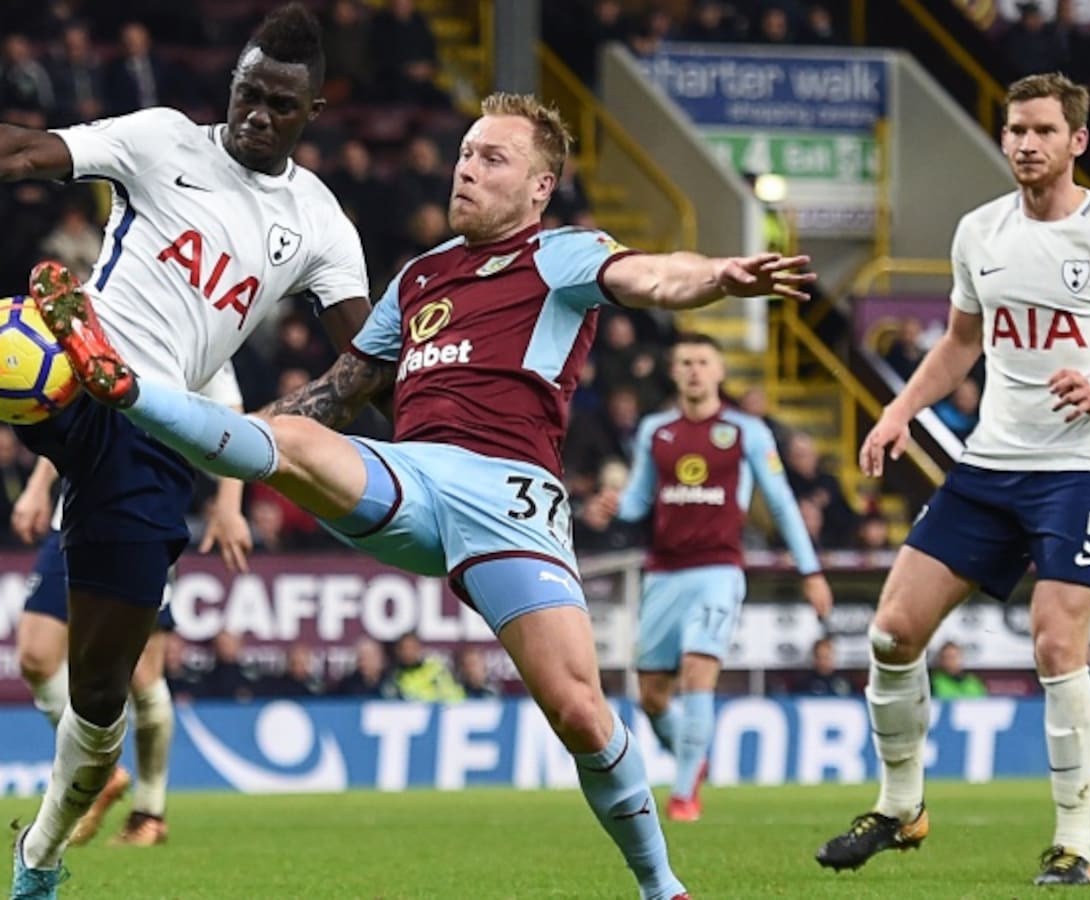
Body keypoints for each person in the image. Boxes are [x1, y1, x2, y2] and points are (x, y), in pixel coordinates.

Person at [30, 91, 819, 900]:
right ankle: (126, 391)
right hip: (412, 479)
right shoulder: (419, 277)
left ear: (540, 188)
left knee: (581, 712)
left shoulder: (563, 254)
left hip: (509, 502)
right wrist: (243, 443)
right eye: (466, 153)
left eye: (492, 159)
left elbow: (652, 275)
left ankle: (661, 885)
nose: (466, 169)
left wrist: (718, 275)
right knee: (297, 437)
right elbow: (336, 395)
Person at [2, 6, 372, 897]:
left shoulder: (320, 222)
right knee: (16, 346)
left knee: (98, 695)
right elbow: (24, 152)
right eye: (248, 92)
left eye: (281, 104)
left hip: (157, 436)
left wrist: (290, 419)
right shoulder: (162, 138)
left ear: (313, 110)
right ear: (233, 80)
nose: (256, 114)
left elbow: (368, 359)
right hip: (71, 370)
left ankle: (40, 856)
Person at [814, 72, 1090, 887]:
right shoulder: (979, 232)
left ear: (1076, 142)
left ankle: (1077, 846)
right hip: (988, 462)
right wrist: (897, 413)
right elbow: (959, 343)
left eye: (1042, 131)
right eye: (1015, 129)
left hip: (1081, 467)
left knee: (1057, 644)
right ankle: (900, 806)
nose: (1025, 143)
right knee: (891, 632)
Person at [12, 364, 251, 849]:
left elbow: (234, 417)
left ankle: (150, 812)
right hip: (73, 514)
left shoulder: (199, 326)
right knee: (36, 656)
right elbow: (62, 398)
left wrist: (229, 505)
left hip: (142, 512)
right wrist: (39, 486)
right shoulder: (105, 311)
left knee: (142, 677)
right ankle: (101, 769)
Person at [602, 332, 833, 822]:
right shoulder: (655, 431)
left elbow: (781, 502)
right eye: (684, 361)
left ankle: (684, 794)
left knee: (698, 672)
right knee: (652, 695)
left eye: (703, 362)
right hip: (663, 572)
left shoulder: (745, 431)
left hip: (718, 570)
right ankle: (694, 756)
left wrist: (810, 570)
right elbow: (639, 500)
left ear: (720, 371)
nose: (693, 370)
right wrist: (613, 506)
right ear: (673, 370)